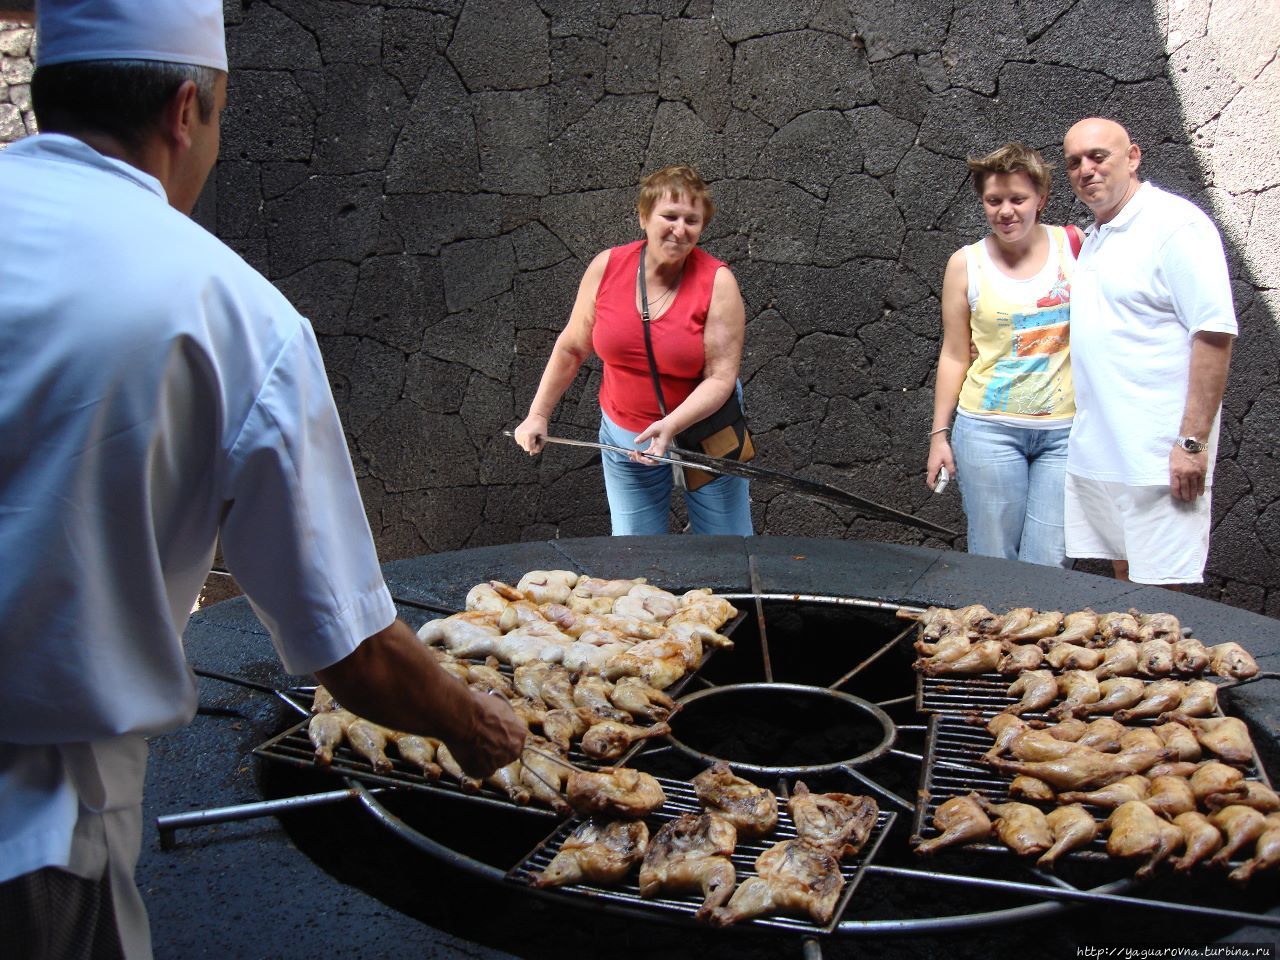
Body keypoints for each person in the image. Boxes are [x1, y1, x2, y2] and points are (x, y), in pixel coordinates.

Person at [0, 3, 525, 957]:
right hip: (29, 842)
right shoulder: (230, 311)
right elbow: (353, 653)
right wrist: (474, 724)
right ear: (184, 108)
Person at [513, 165, 753, 536]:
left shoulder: (718, 283)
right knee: (635, 556)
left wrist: (671, 426)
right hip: (627, 441)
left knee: (727, 550)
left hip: (705, 435)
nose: (680, 228)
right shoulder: (607, 268)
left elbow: (721, 378)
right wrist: (538, 414)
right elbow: (572, 347)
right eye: (669, 216)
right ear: (643, 217)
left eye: (693, 220)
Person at [1061, 117, 1236, 586]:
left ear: (1133, 158)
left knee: (1161, 599)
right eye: (1074, 162)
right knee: (1124, 588)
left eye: (1099, 157)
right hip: (1105, 449)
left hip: (1158, 456)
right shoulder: (1099, 233)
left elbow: (1214, 333)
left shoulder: (1174, 224)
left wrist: (1192, 443)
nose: (1086, 170)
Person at [926, 143, 1081, 567]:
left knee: (1051, 563)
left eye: (1018, 199)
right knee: (993, 563)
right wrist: (940, 435)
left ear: (1041, 199)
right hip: (988, 431)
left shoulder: (1075, 246)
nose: (1006, 211)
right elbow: (955, 354)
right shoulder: (966, 264)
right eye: (994, 201)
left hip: (1065, 434)